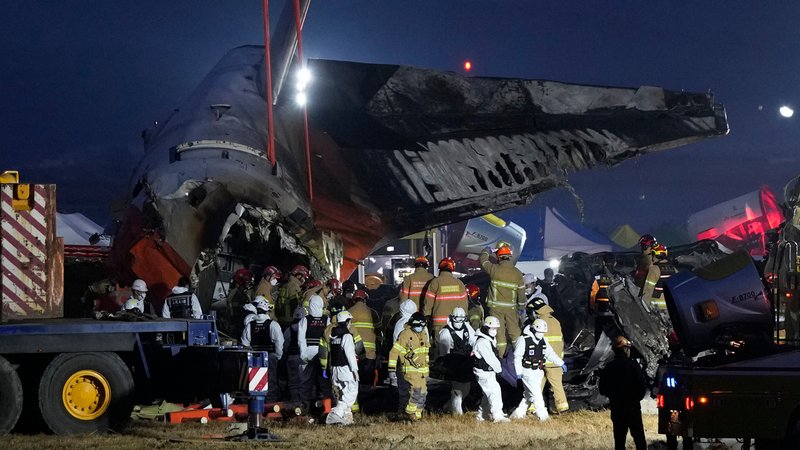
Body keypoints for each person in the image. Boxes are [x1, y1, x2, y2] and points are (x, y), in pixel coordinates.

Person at [510, 319, 566, 421]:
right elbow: (517, 357)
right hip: (527, 371)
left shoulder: (543, 340)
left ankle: (518, 414)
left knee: (528, 395)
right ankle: (543, 417)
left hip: (538, 371)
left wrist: (561, 363)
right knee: (537, 394)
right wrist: (518, 372)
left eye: (543, 332)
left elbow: (550, 354)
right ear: (533, 329)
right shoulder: (523, 340)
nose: (541, 334)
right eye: (539, 332)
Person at [598, 336, 648, 450]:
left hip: (617, 408)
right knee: (639, 440)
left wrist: (613, 396)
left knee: (619, 441)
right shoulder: (633, 366)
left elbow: (602, 388)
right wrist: (635, 399)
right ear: (625, 349)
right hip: (633, 408)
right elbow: (642, 386)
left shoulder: (609, 367)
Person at [479, 245, 526, 356]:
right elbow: (521, 295)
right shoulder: (517, 273)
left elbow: (483, 261)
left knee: (499, 334)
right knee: (515, 333)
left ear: (499, 257)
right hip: (511, 309)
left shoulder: (494, 269)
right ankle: (520, 355)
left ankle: (501, 357)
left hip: (496, 309)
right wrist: (521, 308)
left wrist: (486, 251)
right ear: (510, 257)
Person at [241, 296, 284, 402]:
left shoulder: (250, 325)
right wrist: (278, 356)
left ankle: (256, 400)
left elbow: (244, 343)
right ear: (267, 311)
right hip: (269, 357)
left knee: (255, 380)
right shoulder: (273, 325)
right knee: (271, 380)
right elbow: (279, 342)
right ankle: (270, 400)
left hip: (254, 358)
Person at [388, 312, 430, 421]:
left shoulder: (424, 335)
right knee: (415, 391)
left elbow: (425, 353)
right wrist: (391, 369)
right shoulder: (405, 334)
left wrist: (426, 370)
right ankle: (409, 413)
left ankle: (417, 415)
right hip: (410, 370)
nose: (419, 328)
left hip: (421, 371)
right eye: (417, 325)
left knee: (423, 392)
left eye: (421, 326)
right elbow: (394, 352)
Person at [532, 298, 570, 414]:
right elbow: (561, 341)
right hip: (555, 360)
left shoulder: (538, 323)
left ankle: (532, 407)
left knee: (536, 385)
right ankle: (562, 408)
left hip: (542, 360)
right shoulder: (556, 321)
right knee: (557, 386)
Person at [437, 307, 475, 415]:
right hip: (453, 364)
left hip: (466, 362)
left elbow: (473, 341)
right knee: (457, 389)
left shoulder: (467, 328)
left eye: (461, 320)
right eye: (457, 320)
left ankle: (448, 406)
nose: (459, 323)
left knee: (466, 388)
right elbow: (444, 353)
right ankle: (458, 413)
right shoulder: (445, 333)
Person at [325, 311, 360, 425]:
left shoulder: (334, 336)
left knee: (343, 393)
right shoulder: (347, 336)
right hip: (346, 369)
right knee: (352, 392)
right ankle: (336, 414)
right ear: (346, 322)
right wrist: (355, 370)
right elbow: (350, 354)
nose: (350, 323)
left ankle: (346, 418)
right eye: (350, 321)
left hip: (335, 369)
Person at [472, 316, 509, 422]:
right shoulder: (482, 342)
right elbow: (490, 359)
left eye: (496, 329)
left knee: (488, 393)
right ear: (485, 328)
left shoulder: (489, 339)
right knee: (494, 391)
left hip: (488, 372)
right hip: (483, 372)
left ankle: (481, 414)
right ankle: (497, 415)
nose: (494, 331)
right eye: (492, 329)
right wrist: (499, 369)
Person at [424, 257, 468, 335]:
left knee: (441, 345)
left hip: (439, 323)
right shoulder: (459, 283)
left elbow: (428, 302)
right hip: (456, 322)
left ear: (440, 268)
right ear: (452, 269)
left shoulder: (435, 282)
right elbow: (464, 304)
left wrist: (426, 315)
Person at [297, 294, 329, 403]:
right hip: (322, 353)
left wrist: (303, 353)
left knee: (305, 381)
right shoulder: (326, 319)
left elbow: (301, 339)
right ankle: (324, 403)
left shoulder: (305, 320)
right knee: (323, 380)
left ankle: (304, 404)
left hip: (308, 352)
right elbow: (328, 337)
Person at [348, 289, 381, 384]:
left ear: (354, 300)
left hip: (354, 350)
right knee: (368, 379)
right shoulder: (372, 312)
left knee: (354, 379)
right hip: (369, 352)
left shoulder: (348, 312)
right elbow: (379, 332)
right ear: (365, 299)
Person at [283, 306, 307, 402]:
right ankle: (304, 403)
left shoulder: (288, 329)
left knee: (293, 383)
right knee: (304, 381)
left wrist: (284, 358)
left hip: (291, 358)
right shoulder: (305, 327)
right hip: (303, 358)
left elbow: (285, 345)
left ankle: (294, 402)